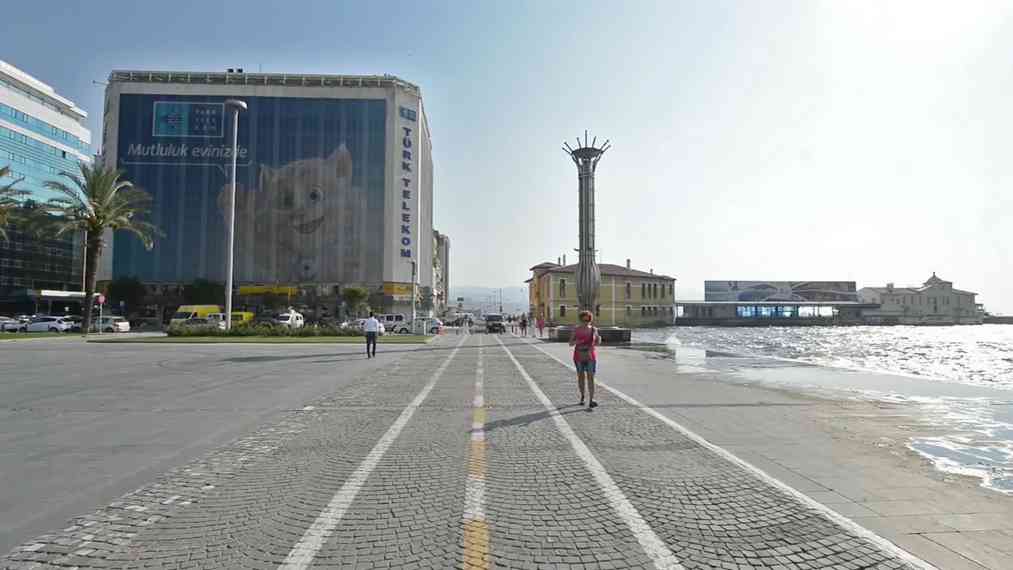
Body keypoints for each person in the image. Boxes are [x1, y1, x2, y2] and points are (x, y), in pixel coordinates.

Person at [569, 310, 601, 410]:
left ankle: (591, 400)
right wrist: (577, 341)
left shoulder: (594, 329)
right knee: (581, 377)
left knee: (591, 377)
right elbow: (570, 343)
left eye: (588, 320)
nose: (586, 322)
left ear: (590, 320)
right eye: (584, 320)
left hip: (590, 356)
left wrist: (598, 340)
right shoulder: (576, 329)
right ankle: (582, 396)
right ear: (580, 320)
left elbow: (597, 343)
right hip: (579, 356)